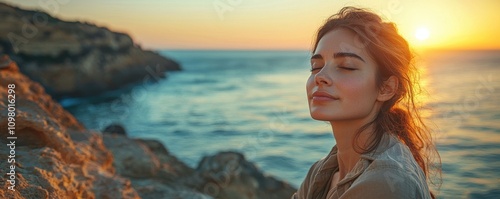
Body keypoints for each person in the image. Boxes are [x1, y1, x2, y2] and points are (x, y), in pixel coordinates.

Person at [292, 7, 441, 199]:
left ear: (386, 88)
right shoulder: (322, 170)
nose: (320, 76)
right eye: (316, 67)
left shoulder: (384, 183)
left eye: (346, 67)